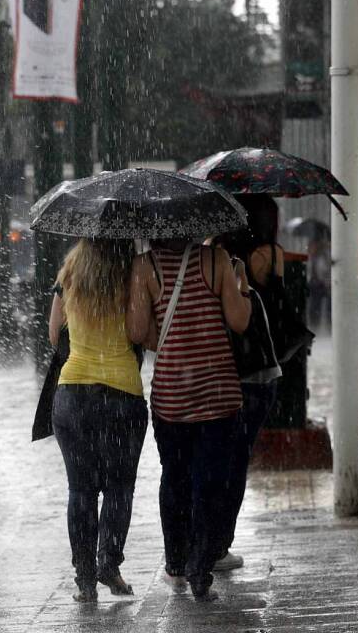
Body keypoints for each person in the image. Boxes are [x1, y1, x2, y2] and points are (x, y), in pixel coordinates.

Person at [127, 238, 251, 601]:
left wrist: (169, 342)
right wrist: (241, 283)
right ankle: (201, 567)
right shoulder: (216, 260)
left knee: (175, 478)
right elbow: (240, 321)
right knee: (211, 481)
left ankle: (177, 563)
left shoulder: (143, 266)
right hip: (218, 391)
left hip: (172, 396)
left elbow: (136, 331)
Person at [46, 239, 148, 603]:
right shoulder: (133, 271)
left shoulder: (71, 269)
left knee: (80, 489)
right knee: (119, 488)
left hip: (72, 394)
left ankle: (85, 580)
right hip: (121, 394)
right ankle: (109, 562)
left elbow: (54, 331)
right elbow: (139, 333)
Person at [212, 196, 286, 572]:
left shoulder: (218, 258)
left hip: (224, 369)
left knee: (217, 459)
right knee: (237, 461)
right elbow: (279, 303)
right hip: (260, 370)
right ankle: (220, 541)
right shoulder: (270, 255)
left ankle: (209, 540)